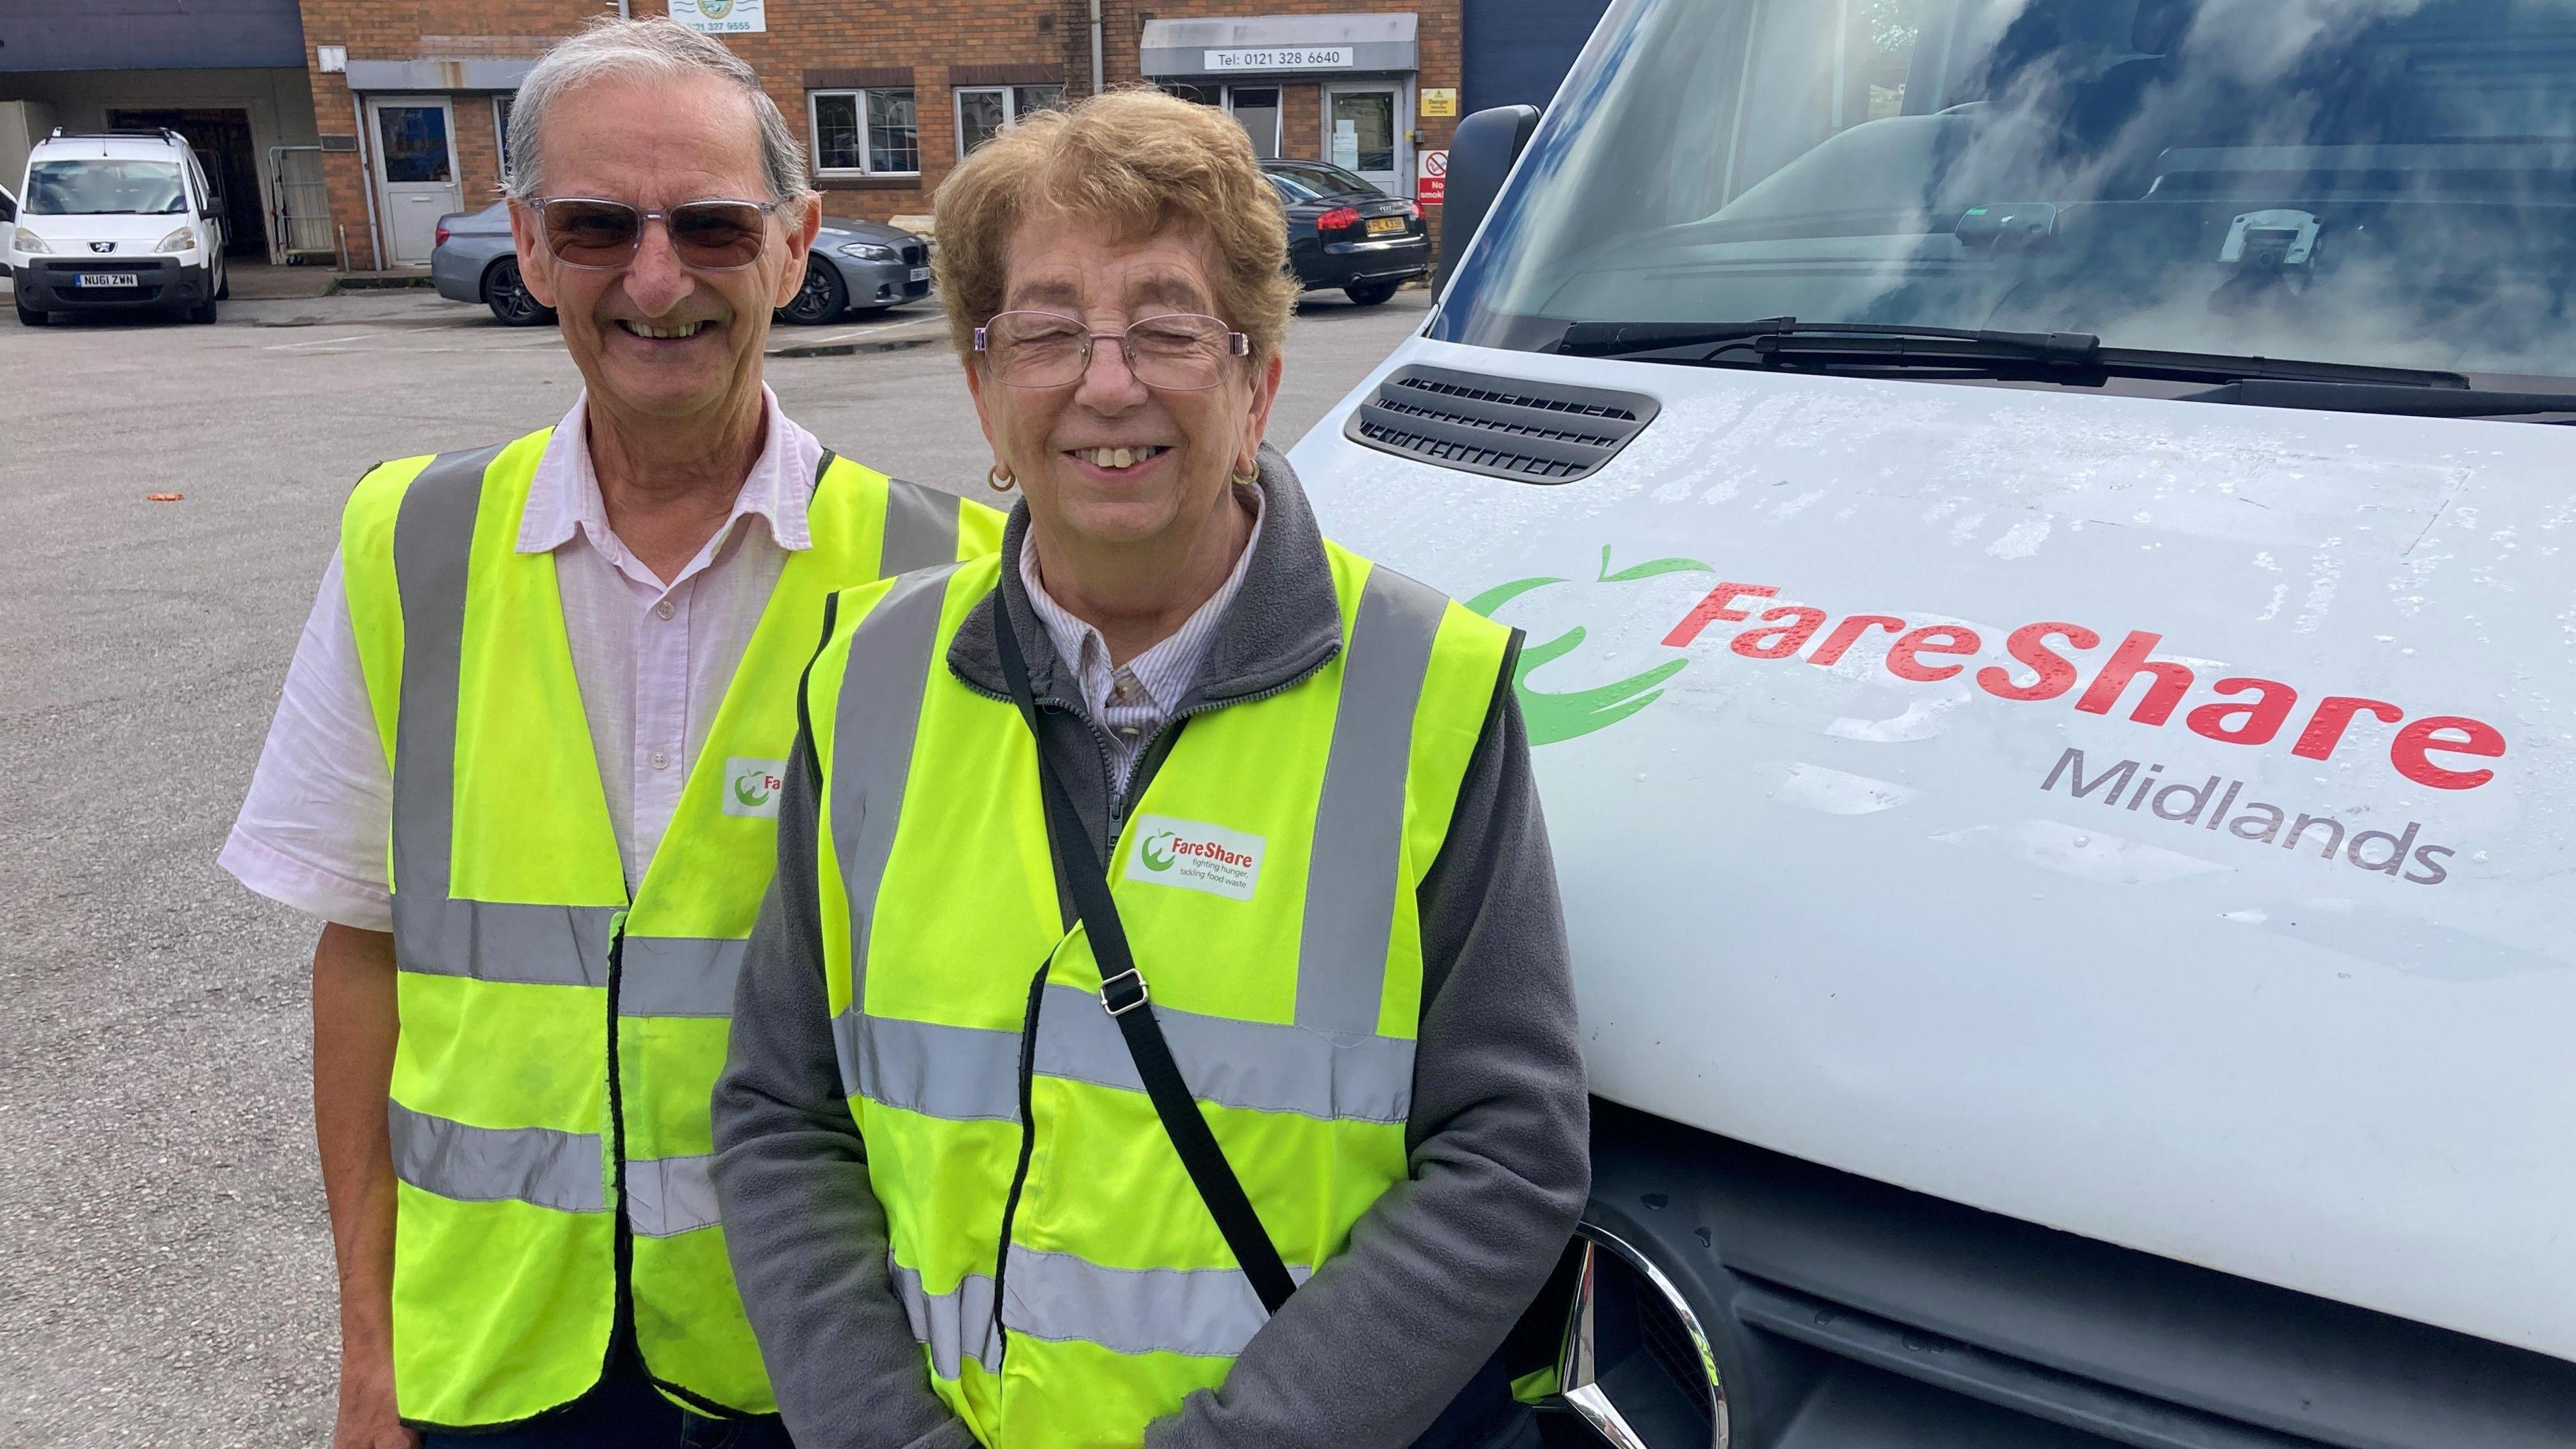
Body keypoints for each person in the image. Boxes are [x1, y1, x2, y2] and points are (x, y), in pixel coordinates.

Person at [710, 89, 1589, 1449]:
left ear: (1257, 384)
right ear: (986, 392)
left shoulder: (1430, 691)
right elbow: (782, 1112)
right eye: (1049, 331)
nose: (1105, 382)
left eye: (1168, 327)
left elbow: (1507, 1156)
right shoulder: (865, 679)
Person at [221, 19, 999, 1448]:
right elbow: (362, 951)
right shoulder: (410, 545)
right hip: (496, 1363)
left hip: (819, 1364)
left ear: (791, 242)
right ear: (527, 244)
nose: (655, 278)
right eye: (595, 226)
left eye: (710, 226)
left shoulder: (947, 577)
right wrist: (370, 1353)